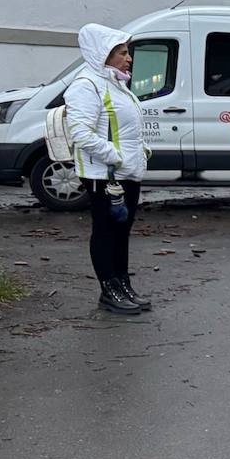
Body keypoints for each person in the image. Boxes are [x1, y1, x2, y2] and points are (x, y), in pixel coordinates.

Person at [65, 24, 150, 315]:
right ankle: (109, 289)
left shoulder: (115, 83)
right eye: (122, 53)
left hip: (125, 171)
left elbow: (126, 128)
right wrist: (114, 156)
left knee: (121, 229)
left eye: (128, 53)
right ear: (104, 54)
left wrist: (139, 152)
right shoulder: (86, 85)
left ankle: (122, 283)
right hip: (104, 175)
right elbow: (80, 132)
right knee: (105, 230)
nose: (129, 58)